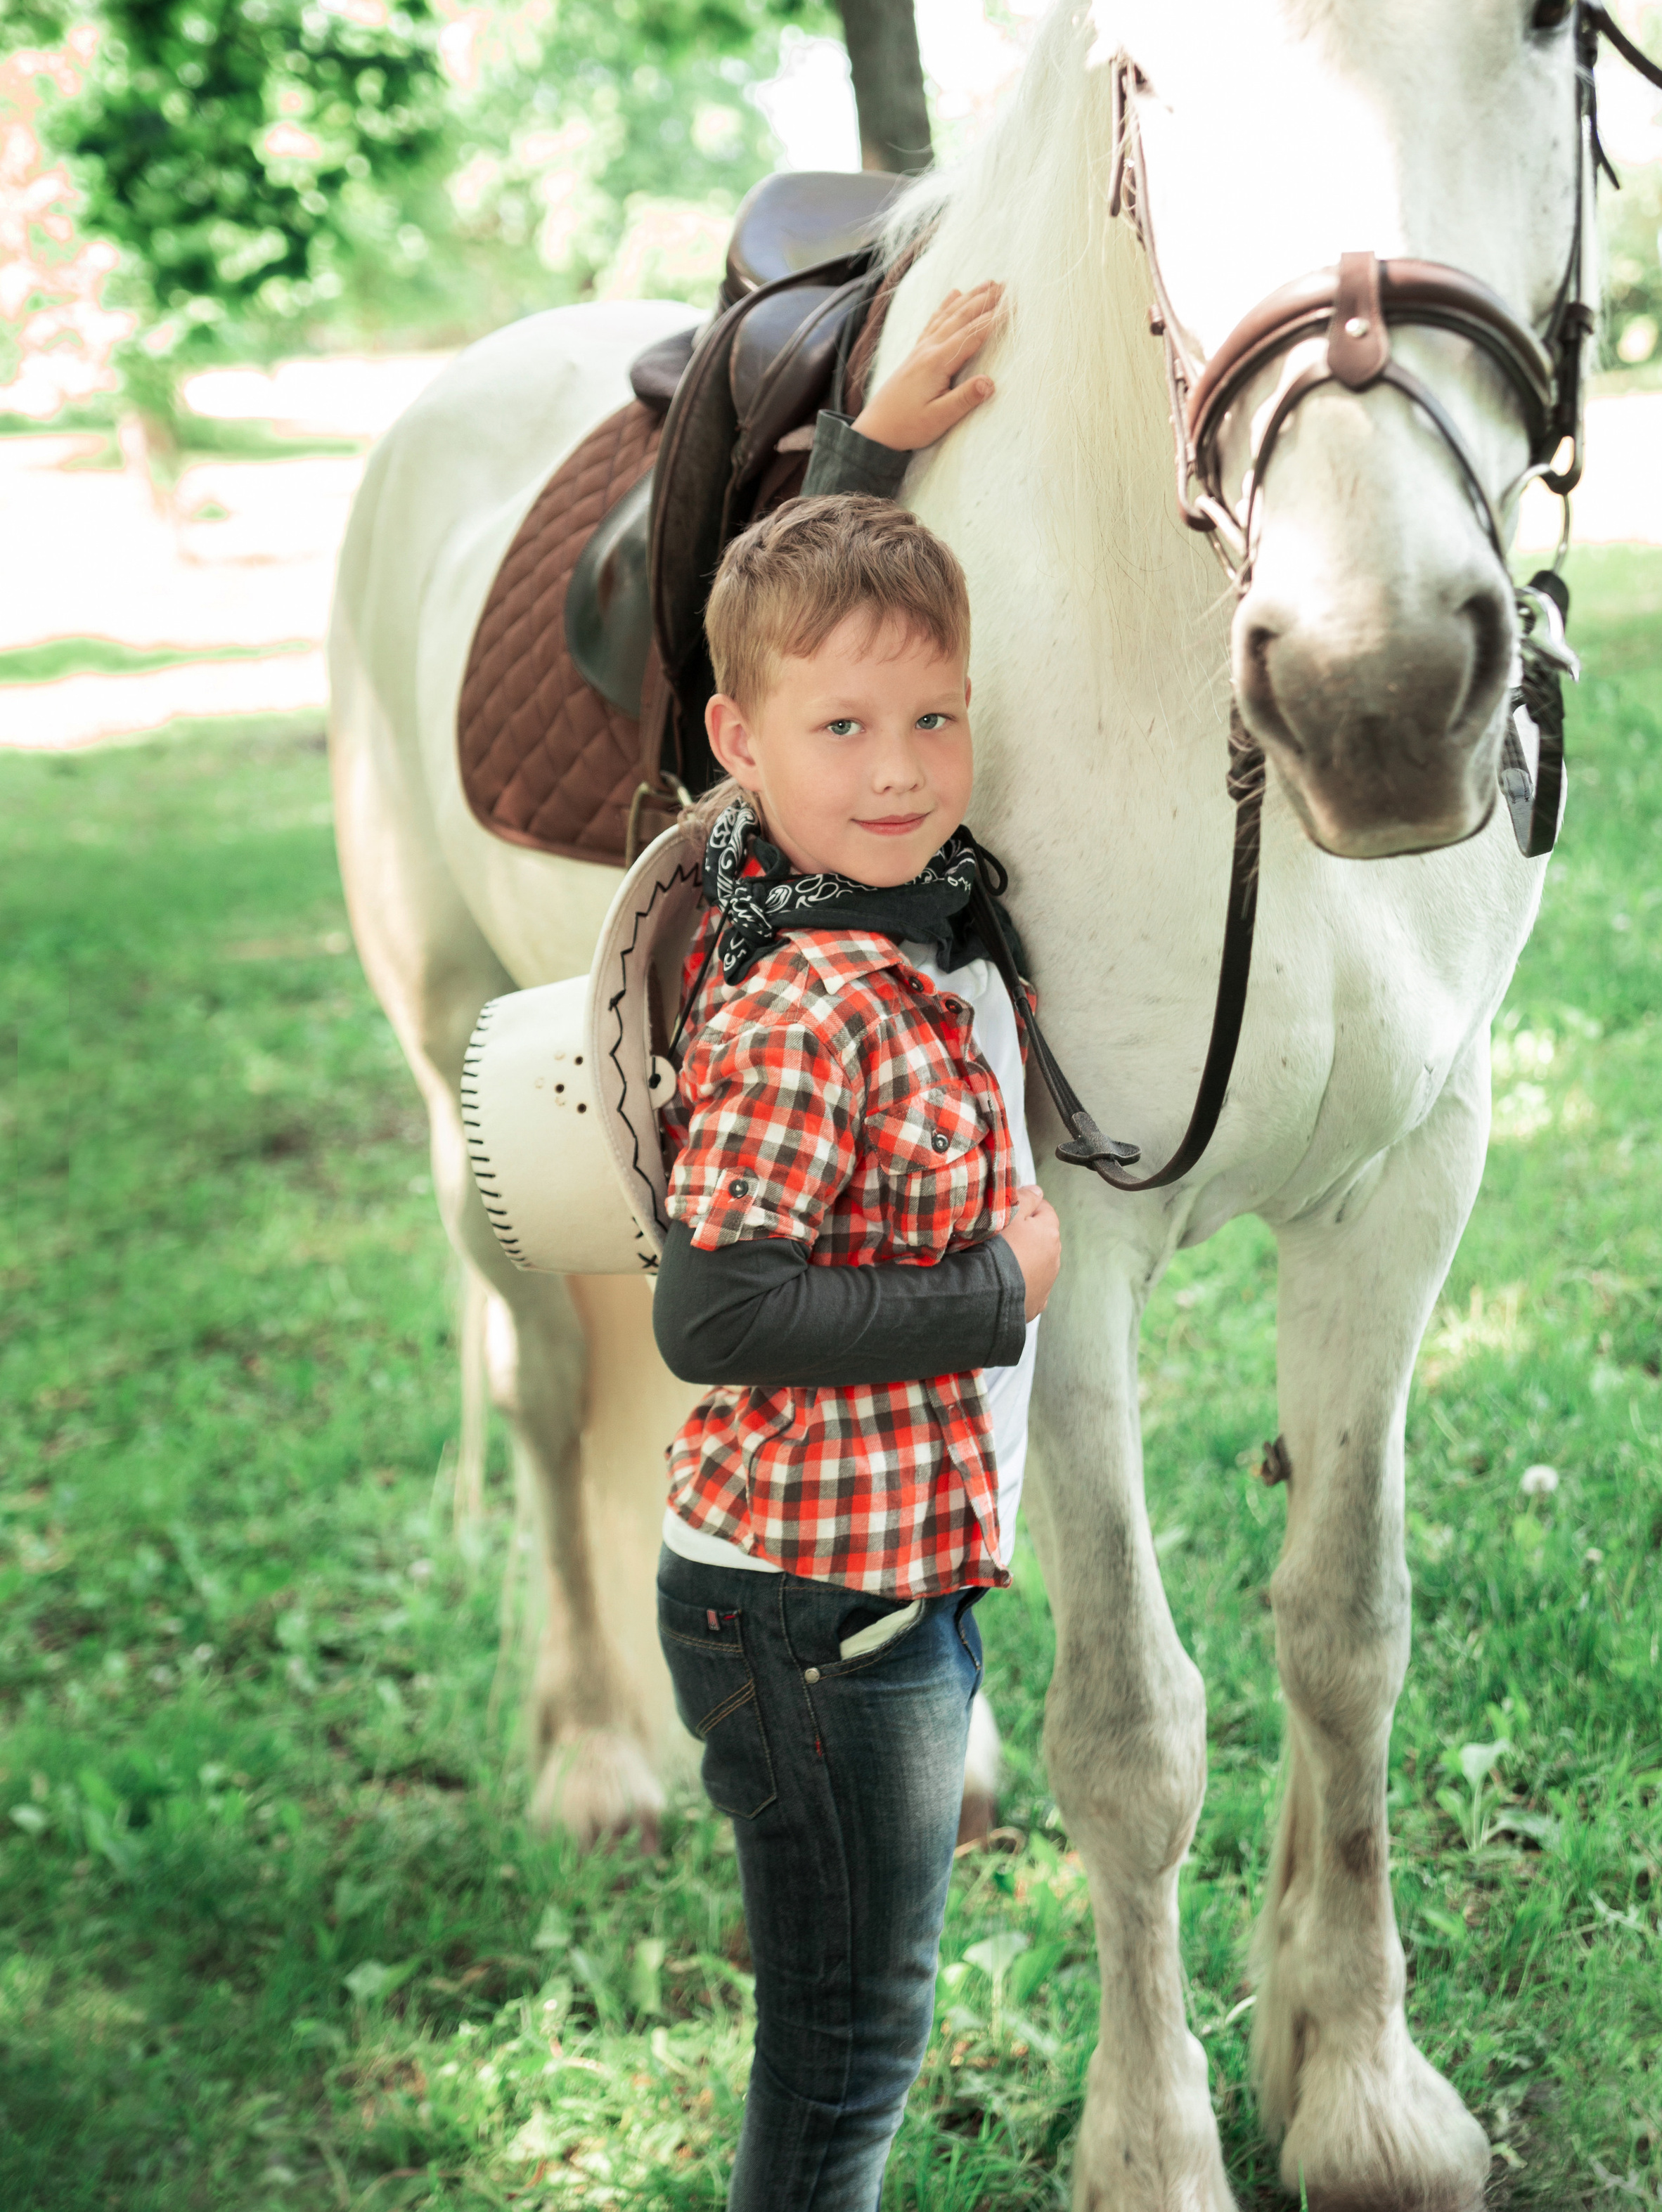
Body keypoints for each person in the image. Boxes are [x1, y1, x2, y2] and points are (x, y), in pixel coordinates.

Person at [650, 283, 1060, 2212]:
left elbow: (846, 647)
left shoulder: (893, 924)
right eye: (841, 731)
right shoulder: (805, 995)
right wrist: (996, 1294)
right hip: (813, 1619)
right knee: (846, 2042)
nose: (899, 769)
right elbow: (717, 1309)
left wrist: (878, 459)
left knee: (862, 2017)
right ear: (740, 746)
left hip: (875, 1588)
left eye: (936, 721)